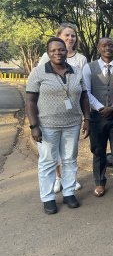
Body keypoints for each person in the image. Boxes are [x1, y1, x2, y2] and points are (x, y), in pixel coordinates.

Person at [26, 37, 90, 214]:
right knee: (48, 161)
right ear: (48, 53)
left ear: (66, 51)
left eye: (61, 49)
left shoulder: (76, 71)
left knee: (70, 159)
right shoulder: (38, 72)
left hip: (72, 124)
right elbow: (30, 100)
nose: (57, 53)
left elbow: (84, 96)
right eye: (53, 50)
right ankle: (48, 198)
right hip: (46, 125)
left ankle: (69, 192)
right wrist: (34, 126)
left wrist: (87, 119)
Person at [38, 23, 87, 193]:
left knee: (69, 154)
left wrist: (87, 115)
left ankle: (69, 183)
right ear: (59, 37)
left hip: (72, 114)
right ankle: (57, 180)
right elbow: (37, 86)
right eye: (66, 35)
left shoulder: (80, 59)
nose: (70, 38)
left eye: (73, 35)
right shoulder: (47, 57)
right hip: (50, 115)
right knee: (51, 155)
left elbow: (84, 89)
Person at [82, 38, 113, 197]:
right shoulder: (89, 68)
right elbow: (86, 92)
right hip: (97, 116)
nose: (108, 48)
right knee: (98, 150)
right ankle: (99, 182)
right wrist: (100, 107)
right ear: (98, 48)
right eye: (104, 45)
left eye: (111, 45)